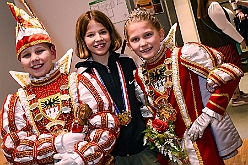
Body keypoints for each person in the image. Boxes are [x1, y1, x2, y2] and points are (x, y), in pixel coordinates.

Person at [1, 3, 120, 165]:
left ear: (53, 53)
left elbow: (106, 124)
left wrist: (79, 158)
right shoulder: (16, 102)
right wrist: (58, 144)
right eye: (27, 55)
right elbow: (13, 149)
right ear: (21, 62)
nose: (34, 58)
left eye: (40, 51)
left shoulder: (81, 82)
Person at [124, 8, 243, 165]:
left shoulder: (185, 55)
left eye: (148, 35)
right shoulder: (138, 76)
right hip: (169, 151)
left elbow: (230, 75)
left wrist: (208, 114)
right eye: (135, 39)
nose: (143, 43)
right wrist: (155, 131)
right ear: (129, 45)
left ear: (160, 34)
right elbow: (147, 112)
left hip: (200, 142)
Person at [74, 10, 161, 165]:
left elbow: (143, 101)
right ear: (83, 40)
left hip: (143, 148)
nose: (98, 39)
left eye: (102, 32)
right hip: (112, 156)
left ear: (111, 33)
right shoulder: (82, 75)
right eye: (90, 35)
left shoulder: (128, 63)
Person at [196, 0, 248, 107]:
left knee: (229, 71)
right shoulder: (213, 6)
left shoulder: (203, 8)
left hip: (218, 46)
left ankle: (237, 94)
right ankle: (236, 96)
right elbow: (225, 26)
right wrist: (240, 39)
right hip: (224, 44)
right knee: (232, 70)